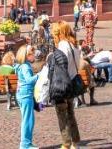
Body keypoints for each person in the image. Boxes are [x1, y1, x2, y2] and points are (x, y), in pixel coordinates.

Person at [49, 20, 83, 149]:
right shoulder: (73, 46)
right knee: (71, 114)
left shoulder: (62, 47)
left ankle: (66, 144)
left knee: (62, 115)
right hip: (72, 84)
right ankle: (75, 143)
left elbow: (59, 69)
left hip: (62, 85)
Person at [13, 45, 38, 149]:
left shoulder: (21, 66)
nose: (34, 56)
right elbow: (28, 80)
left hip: (22, 94)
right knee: (28, 120)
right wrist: (40, 75)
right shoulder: (25, 67)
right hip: (26, 94)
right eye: (33, 54)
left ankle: (27, 142)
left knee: (27, 119)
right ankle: (25, 144)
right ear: (27, 55)